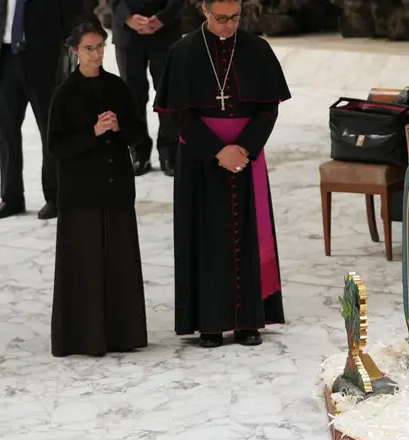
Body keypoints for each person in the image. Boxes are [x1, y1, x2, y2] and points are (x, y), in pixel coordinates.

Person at [154, 0, 290, 348]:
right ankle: (209, 323)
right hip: (199, 155)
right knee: (204, 235)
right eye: (222, 18)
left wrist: (244, 147)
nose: (230, 25)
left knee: (248, 236)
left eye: (236, 17)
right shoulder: (183, 51)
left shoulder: (257, 49)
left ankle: (248, 322)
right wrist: (217, 150)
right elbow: (177, 113)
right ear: (204, 10)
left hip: (246, 154)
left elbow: (268, 107)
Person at [47, 20, 149, 357]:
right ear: (75, 51)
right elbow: (56, 146)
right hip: (81, 191)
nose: (96, 54)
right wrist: (92, 132)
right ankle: (84, 337)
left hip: (116, 185)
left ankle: (124, 334)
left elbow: (137, 133)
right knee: (85, 262)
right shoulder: (65, 93)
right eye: (89, 48)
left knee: (119, 260)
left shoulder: (117, 87)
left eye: (100, 47)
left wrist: (119, 128)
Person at [0, 0, 85, 221]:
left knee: (50, 130)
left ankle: (55, 197)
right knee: (7, 132)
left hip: (44, 60)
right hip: (5, 58)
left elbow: (73, 12)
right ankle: (11, 198)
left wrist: (76, 47)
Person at [109, 0, 185, 176]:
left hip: (166, 31)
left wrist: (162, 18)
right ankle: (138, 153)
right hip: (127, 33)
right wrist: (127, 16)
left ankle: (169, 153)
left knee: (168, 93)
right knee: (131, 95)